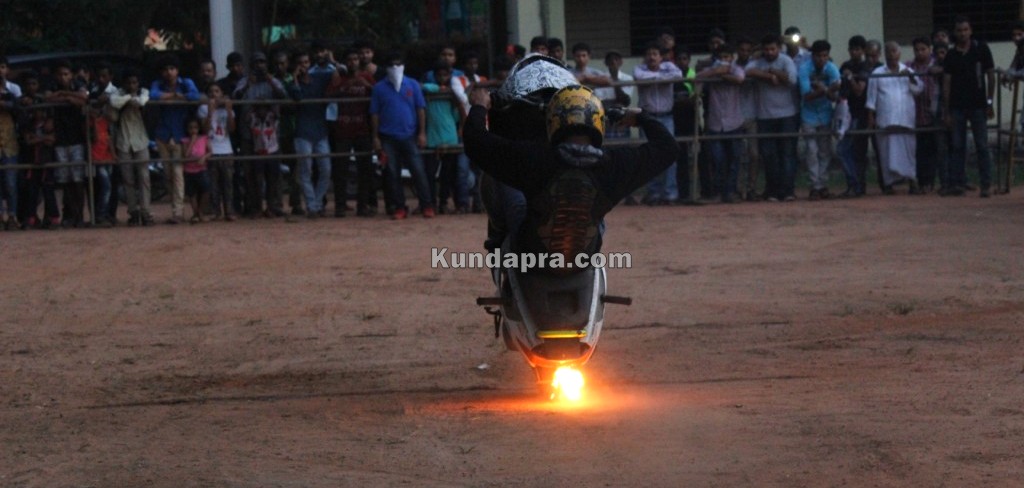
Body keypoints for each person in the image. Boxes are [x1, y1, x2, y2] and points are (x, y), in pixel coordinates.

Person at [463, 84, 678, 264]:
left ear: (553, 122)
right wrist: (642, 118)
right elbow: (668, 147)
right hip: (585, 257)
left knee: (498, 181)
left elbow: (475, 140)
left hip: (531, 255)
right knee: (599, 214)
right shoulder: (616, 165)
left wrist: (480, 106)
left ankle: (497, 246)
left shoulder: (532, 158)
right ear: (598, 123)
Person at [369, 50, 432, 220]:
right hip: (387, 136)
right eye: (391, 65)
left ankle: (426, 205)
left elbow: (421, 110)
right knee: (392, 174)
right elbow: (374, 114)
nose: (395, 68)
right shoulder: (379, 88)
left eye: (398, 64)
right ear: (386, 67)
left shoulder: (413, 85)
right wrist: (375, 137)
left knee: (418, 172)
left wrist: (422, 132)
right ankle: (399, 206)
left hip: (410, 135)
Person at [943, 15, 995, 198]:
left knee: (982, 145)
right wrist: (946, 110)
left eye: (965, 30)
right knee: (957, 146)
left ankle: (986, 184)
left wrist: (989, 102)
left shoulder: (981, 49)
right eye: (959, 30)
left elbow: (990, 76)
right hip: (957, 107)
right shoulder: (950, 55)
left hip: (978, 106)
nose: (963, 33)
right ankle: (957, 183)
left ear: (971, 31)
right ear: (955, 33)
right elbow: (947, 83)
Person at [234, 52, 288, 217]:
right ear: (251, 65)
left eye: (263, 62)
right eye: (257, 63)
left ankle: (275, 206)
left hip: (271, 136)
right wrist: (248, 84)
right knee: (251, 173)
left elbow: (283, 96)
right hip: (249, 135)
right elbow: (235, 97)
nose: (260, 66)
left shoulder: (273, 81)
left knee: (273, 172)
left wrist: (270, 80)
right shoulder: (244, 81)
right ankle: (254, 207)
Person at [746, 34, 799, 202]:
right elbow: (747, 71)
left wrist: (775, 71)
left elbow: (791, 80)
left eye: (773, 49)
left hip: (787, 114)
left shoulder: (786, 61)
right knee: (769, 155)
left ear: (779, 48)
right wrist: (769, 77)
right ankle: (773, 191)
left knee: (787, 154)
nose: (769, 52)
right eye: (766, 49)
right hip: (764, 115)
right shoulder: (757, 61)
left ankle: (788, 190)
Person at [289, 48, 340, 218]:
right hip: (303, 131)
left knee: (326, 169)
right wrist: (295, 77)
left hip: (320, 130)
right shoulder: (293, 83)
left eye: (306, 63)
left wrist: (331, 62)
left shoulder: (319, 77)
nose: (303, 66)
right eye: (300, 64)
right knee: (305, 171)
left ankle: (317, 202)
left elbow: (338, 78)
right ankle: (312, 205)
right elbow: (297, 97)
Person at [150, 54, 201, 224]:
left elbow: (195, 96)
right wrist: (178, 96)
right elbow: (153, 95)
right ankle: (175, 209)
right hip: (163, 134)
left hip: (180, 134)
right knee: (168, 174)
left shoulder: (186, 83)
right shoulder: (158, 84)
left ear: (177, 70)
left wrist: (171, 96)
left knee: (178, 174)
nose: (169, 73)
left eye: (172, 69)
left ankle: (177, 212)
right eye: (165, 70)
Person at [867, 41, 923, 195]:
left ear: (899, 54)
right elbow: (871, 98)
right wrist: (871, 117)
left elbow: (919, 89)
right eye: (888, 51)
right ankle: (888, 184)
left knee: (908, 151)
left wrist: (910, 77)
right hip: (886, 120)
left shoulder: (908, 70)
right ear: (884, 54)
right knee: (886, 152)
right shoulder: (877, 72)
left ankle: (912, 180)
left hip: (905, 119)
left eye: (894, 51)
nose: (891, 54)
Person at [329, 48, 377, 217]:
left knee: (365, 169)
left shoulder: (367, 77)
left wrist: (368, 86)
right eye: (349, 59)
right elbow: (328, 96)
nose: (353, 62)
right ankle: (340, 206)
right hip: (343, 129)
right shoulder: (338, 79)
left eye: (356, 59)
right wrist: (342, 86)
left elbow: (379, 94)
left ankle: (363, 205)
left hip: (362, 129)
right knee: (340, 170)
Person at [696, 43, 746, 203]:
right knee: (717, 160)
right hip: (715, 122)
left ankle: (730, 192)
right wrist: (716, 72)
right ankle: (717, 192)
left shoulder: (736, 68)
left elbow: (740, 78)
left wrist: (722, 75)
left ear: (732, 58)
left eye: (727, 57)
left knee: (734, 159)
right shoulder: (710, 71)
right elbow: (697, 77)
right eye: (722, 57)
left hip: (734, 121)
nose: (725, 61)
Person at [634, 41, 682, 204]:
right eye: (649, 54)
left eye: (655, 54)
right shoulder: (639, 69)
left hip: (666, 116)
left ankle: (670, 193)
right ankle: (653, 193)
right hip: (647, 118)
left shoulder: (670, 67)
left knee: (670, 153)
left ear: (661, 57)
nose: (652, 57)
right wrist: (662, 78)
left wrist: (655, 78)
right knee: (649, 155)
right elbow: (640, 78)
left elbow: (678, 76)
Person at [45, 59, 89, 226]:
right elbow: (48, 98)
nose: (63, 77)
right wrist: (68, 97)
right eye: (60, 74)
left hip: (76, 138)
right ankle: (68, 215)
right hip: (61, 139)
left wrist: (65, 96)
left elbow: (83, 99)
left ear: (71, 75)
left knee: (78, 180)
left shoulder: (78, 84)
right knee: (64, 180)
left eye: (66, 74)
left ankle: (79, 216)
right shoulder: (52, 86)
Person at [110, 69, 154, 226]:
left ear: (138, 83)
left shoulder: (144, 91)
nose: (131, 85)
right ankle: (133, 212)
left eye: (134, 82)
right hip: (123, 140)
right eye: (129, 82)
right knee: (128, 179)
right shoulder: (118, 93)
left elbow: (142, 101)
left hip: (140, 139)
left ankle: (146, 212)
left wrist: (129, 99)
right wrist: (129, 97)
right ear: (124, 83)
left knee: (144, 178)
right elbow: (115, 102)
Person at [798, 40, 841, 200]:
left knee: (824, 151)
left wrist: (823, 90)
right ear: (813, 56)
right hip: (808, 115)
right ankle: (814, 185)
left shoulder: (831, 68)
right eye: (818, 56)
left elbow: (835, 95)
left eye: (825, 56)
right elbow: (806, 95)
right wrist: (826, 90)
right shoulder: (804, 69)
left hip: (825, 114)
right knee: (811, 151)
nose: (822, 59)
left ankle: (822, 184)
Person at [422, 61, 465, 213]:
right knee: (430, 173)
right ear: (434, 76)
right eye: (439, 75)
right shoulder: (432, 90)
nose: (442, 78)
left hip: (449, 137)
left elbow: (456, 115)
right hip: (432, 138)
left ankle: (444, 202)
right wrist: (441, 89)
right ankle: (431, 202)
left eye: (445, 75)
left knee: (448, 174)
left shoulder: (452, 95)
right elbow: (425, 86)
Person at [836, 35, 871, 197]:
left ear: (863, 51)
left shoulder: (865, 66)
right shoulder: (845, 65)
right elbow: (840, 90)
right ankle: (854, 184)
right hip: (846, 112)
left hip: (859, 112)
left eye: (857, 49)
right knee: (844, 150)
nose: (854, 52)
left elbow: (859, 90)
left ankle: (857, 185)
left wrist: (850, 77)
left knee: (855, 151)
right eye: (852, 49)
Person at [197, 82, 236, 221]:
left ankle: (229, 211)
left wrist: (229, 109)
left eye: (217, 91)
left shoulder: (227, 109)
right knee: (213, 184)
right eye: (211, 92)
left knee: (228, 184)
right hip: (212, 150)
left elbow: (231, 129)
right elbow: (205, 130)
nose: (214, 94)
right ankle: (215, 211)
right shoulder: (203, 108)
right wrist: (210, 111)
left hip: (226, 150)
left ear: (222, 94)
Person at [910, 37, 941, 194]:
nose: (920, 52)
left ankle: (932, 181)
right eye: (917, 49)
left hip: (934, 113)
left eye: (923, 49)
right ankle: (921, 182)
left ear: (930, 49)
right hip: (916, 115)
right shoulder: (909, 66)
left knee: (934, 149)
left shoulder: (938, 64)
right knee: (919, 150)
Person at [735, 37, 762, 201]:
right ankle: (739, 189)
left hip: (753, 114)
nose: (744, 53)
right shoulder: (732, 66)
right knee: (738, 155)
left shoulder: (756, 66)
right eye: (742, 50)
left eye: (748, 50)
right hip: (736, 116)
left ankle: (752, 188)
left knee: (754, 154)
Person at [0, 55, 22, 229]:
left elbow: (18, 108)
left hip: (9, 141)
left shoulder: (14, 89)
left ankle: (13, 215)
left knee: (10, 181)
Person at [595, 51, 634, 140]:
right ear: (606, 63)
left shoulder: (627, 78)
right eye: (610, 60)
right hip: (606, 119)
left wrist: (614, 80)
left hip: (623, 119)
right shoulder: (600, 78)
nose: (613, 62)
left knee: (624, 147)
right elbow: (601, 102)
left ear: (621, 62)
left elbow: (625, 101)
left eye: (616, 59)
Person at [181, 118, 211, 223]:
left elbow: (210, 151)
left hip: (201, 169)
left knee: (206, 190)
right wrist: (192, 141)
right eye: (191, 128)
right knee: (191, 194)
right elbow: (186, 155)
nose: (193, 130)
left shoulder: (204, 138)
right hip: (189, 170)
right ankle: (195, 214)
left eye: (195, 128)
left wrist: (204, 157)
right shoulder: (185, 140)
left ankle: (200, 212)